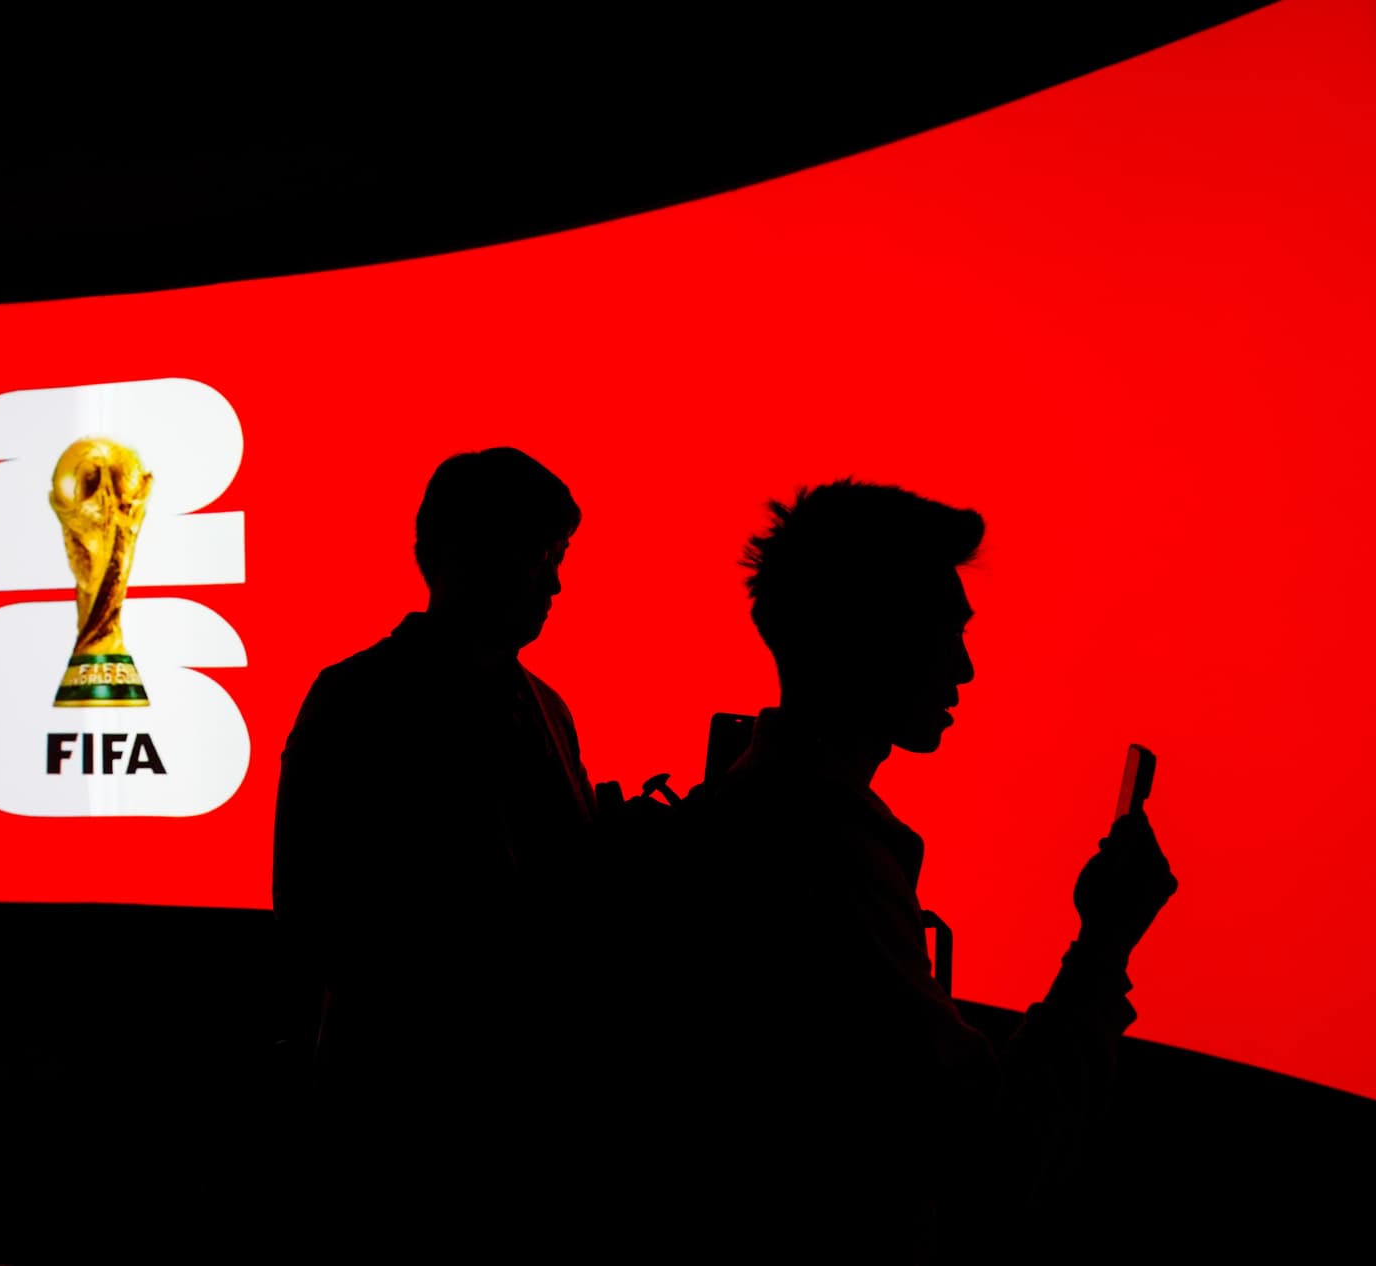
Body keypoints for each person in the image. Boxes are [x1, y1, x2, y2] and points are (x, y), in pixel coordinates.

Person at [684, 478, 1179, 1263]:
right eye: (943, 631)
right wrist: (1104, 944)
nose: (965, 668)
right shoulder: (826, 860)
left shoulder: (744, 816)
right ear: (868, 638)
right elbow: (994, 1161)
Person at [271, 447, 600, 1200]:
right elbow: (316, 916)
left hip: (511, 1099)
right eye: (538, 556)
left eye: (557, 557)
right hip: (408, 1103)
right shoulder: (358, 702)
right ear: (455, 555)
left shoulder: (543, 707)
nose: (553, 582)